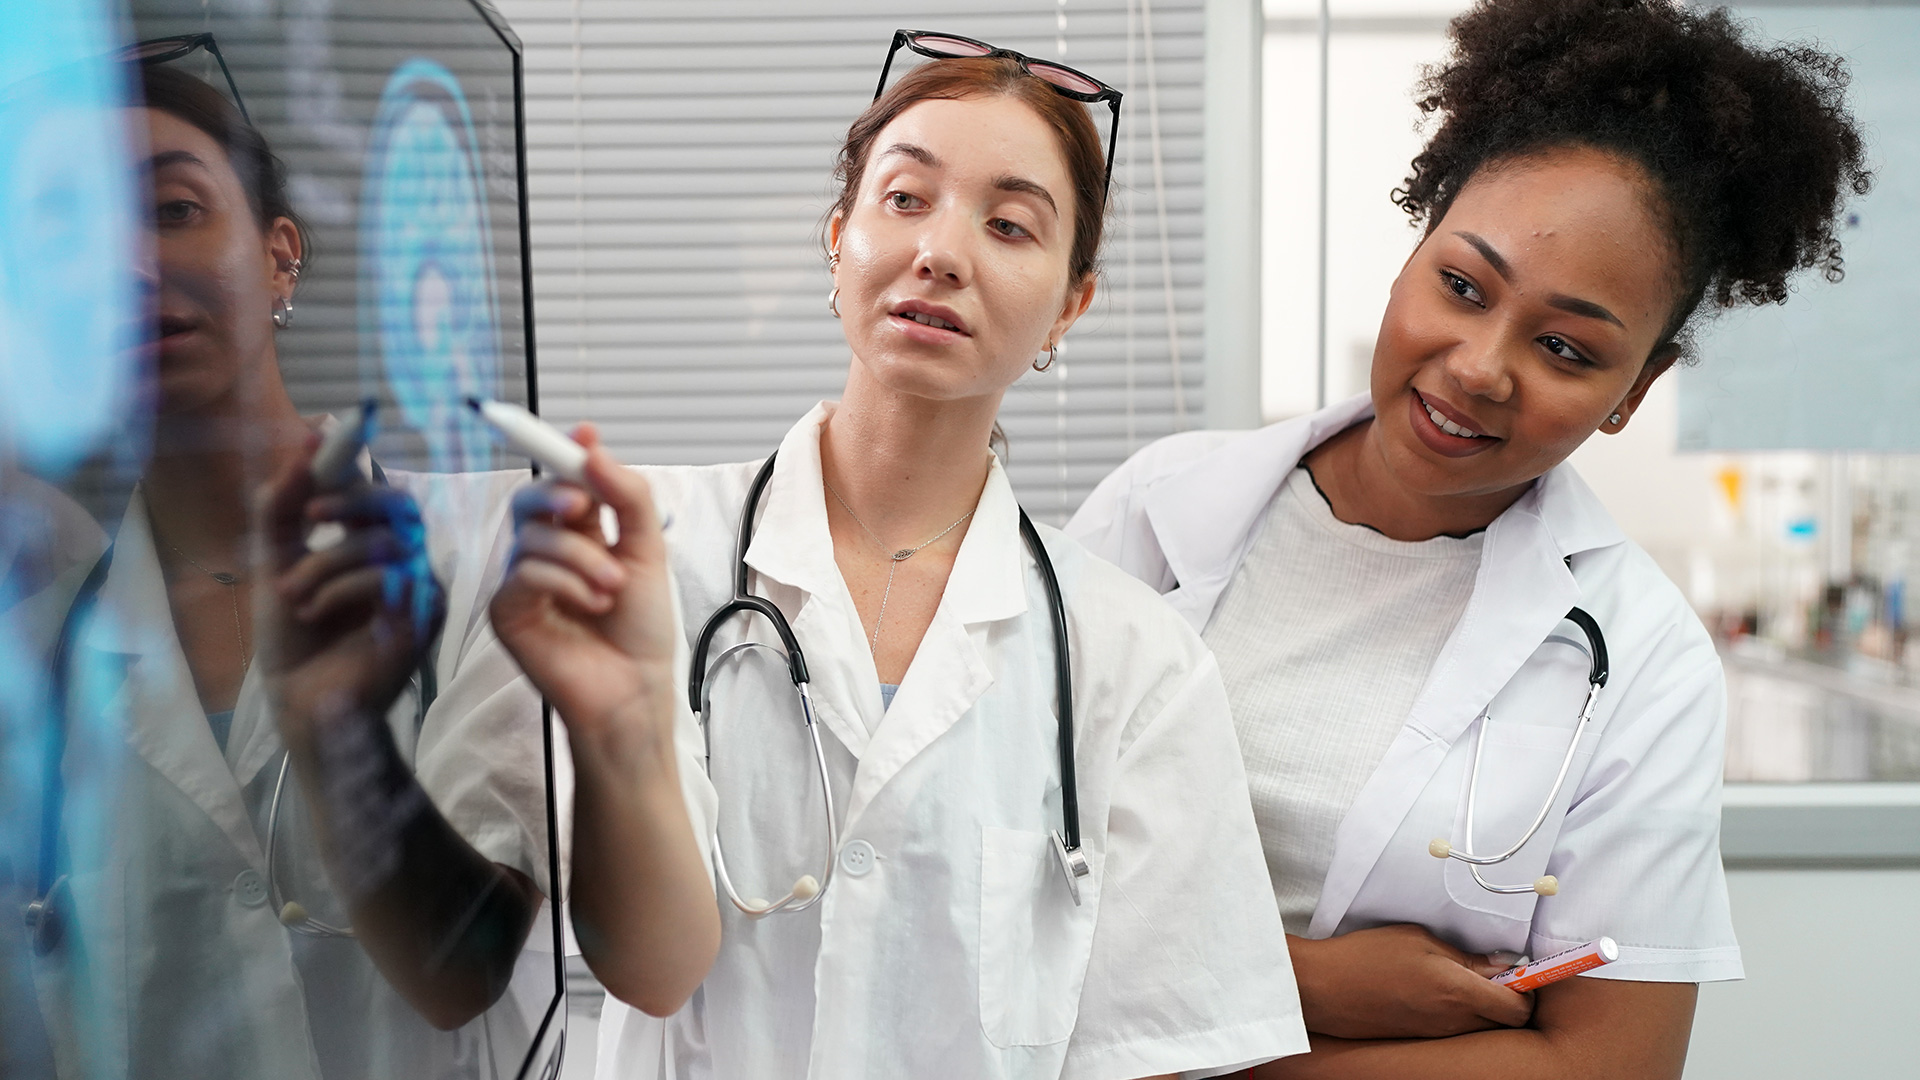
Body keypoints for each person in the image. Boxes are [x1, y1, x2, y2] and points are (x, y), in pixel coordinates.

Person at [1067, 0, 1869, 1076]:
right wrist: (1311, 979)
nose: (1480, 366)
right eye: (1460, 285)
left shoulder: (1645, 661)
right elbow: (998, 889)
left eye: (1566, 348)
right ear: (1411, 254)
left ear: (1637, 390)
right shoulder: (1157, 508)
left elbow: (1606, 1064)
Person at [489, 43, 1307, 1080]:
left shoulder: (1135, 660)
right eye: (906, 196)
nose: (942, 252)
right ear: (839, 242)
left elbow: (1145, 1052)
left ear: (1069, 306)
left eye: (1010, 225)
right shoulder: (646, 550)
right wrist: (618, 730)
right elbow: (647, 972)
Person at [24, 60, 557, 1078]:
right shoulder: (43, 639)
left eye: (173, 209)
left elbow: (466, 975)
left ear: (279, 259)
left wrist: (340, 733)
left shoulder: (484, 549)